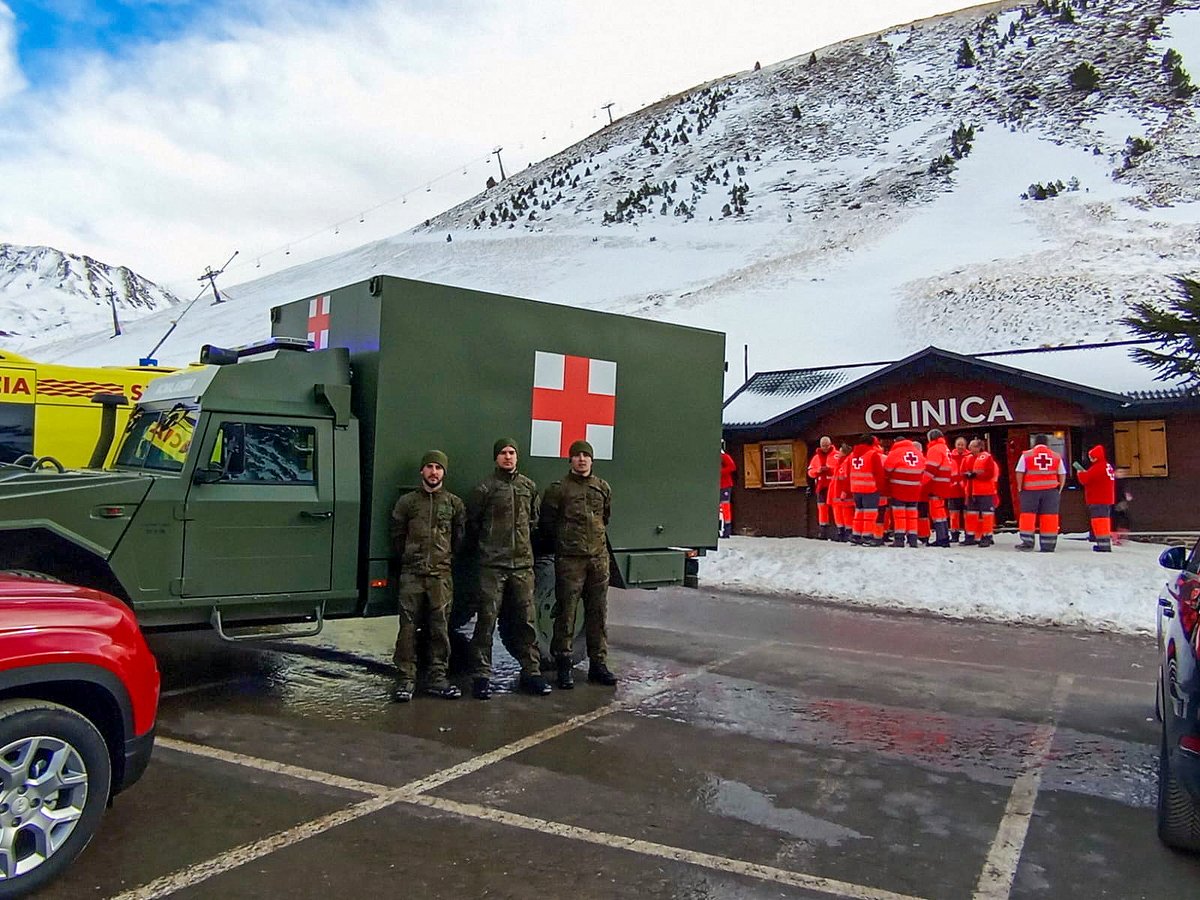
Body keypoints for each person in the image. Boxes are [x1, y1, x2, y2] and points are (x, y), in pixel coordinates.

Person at [466, 438, 552, 699]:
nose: (507, 457)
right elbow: (474, 523)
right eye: (503, 453)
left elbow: (534, 521)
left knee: (526, 622)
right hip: (493, 566)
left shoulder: (528, 487)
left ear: (517, 457)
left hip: (522, 566)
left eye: (512, 452)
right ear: (496, 458)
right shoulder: (485, 489)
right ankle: (481, 676)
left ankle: (532, 672)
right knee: (486, 622)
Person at [390, 450, 466, 702]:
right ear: (422, 471)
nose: (434, 472)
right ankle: (405, 680)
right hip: (412, 574)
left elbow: (458, 538)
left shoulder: (453, 504)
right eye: (430, 467)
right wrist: (411, 558)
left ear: (444, 472)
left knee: (439, 629)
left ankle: (437, 678)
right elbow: (398, 536)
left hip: (440, 576)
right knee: (408, 629)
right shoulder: (407, 503)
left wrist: (443, 560)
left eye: (439, 468)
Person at [541, 440, 617, 689]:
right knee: (566, 613)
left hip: (597, 559)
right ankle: (563, 665)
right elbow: (549, 523)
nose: (582, 460)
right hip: (570, 560)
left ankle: (598, 665)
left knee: (597, 613)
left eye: (586, 455)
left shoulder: (602, 487)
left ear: (592, 461)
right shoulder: (559, 489)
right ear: (570, 460)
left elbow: (605, 517)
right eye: (577, 456)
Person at [1014, 433, 1066, 552]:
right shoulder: (1056, 456)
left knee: (1028, 516)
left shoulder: (1027, 455)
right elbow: (1062, 473)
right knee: (1050, 517)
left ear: (1034, 443)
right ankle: (1048, 544)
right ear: (1047, 443)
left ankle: (1027, 542)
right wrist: (1059, 489)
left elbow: (1019, 471)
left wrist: (1020, 488)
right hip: (1051, 491)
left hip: (1030, 491)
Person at [883, 435, 925, 547]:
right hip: (915, 489)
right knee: (912, 514)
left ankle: (899, 539)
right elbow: (923, 468)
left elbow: (887, 469)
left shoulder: (895, 452)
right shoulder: (917, 452)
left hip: (899, 488)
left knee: (899, 515)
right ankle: (913, 540)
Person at [1074, 444, 1116, 552]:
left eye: (1092, 457)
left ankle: (1103, 545)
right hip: (1106, 499)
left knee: (1099, 522)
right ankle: (1104, 543)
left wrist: (1080, 473)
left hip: (1098, 498)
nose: (1091, 459)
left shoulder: (1097, 467)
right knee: (1105, 522)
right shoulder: (1107, 466)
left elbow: (1085, 479)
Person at [849, 433, 886, 546]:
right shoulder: (872, 454)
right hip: (870, 488)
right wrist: (880, 488)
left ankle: (856, 535)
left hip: (855, 488)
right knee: (870, 515)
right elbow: (878, 474)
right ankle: (867, 536)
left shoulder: (852, 455)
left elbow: (847, 472)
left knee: (858, 512)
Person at [964, 439, 999, 547]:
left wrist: (976, 475)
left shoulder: (987, 457)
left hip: (985, 491)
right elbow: (963, 471)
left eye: (972, 446)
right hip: (971, 491)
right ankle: (970, 537)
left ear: (979, 447)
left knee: (987, 515)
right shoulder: (968, 458)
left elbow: (989, 473)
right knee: (971, 515)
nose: (970, 448)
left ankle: (987, 537)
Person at [924, 429, 954, 547]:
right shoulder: (945, 448)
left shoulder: (934, 449)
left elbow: (931, 469)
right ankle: (944, 536)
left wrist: (921, 483)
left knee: (936, 513)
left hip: (936, 485)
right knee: (941, 512)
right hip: (945, 485)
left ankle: (942, 538)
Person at [807, 436, 836, 539]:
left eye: (827, 445)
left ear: (830, 444)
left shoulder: (836, 456)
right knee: (822, 508)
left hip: (833, 486)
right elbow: (810, 472)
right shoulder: (816, 458)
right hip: (820, 486)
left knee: (836, 509)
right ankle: (823, 531)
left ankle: (838, 531)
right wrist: (818, 471)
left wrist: (830, 470)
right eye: (823, 446)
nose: (825, 448)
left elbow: (841, 468)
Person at [947, 436, 969, 542]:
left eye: (962, 444)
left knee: (967, 515)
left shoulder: (970, 456)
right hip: (953, 490)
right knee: (953, 515)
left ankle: (969, 534)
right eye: (958, 444)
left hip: (966, 490)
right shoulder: (950, 457)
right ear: (955, 445)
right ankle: (954, 535)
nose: (960, 446)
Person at [719, 444, 737, 538]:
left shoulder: (724, 456)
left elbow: (732, 467)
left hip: (725, 485)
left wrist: (720, 472)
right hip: (717, 486)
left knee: (725, 507)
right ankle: (719, 529)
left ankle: (727, 530)